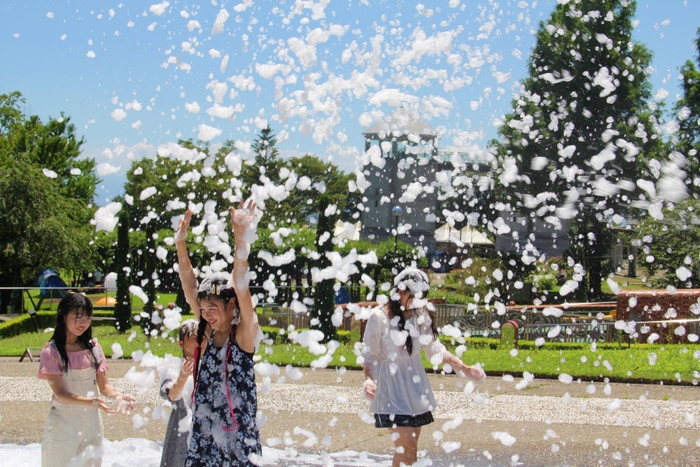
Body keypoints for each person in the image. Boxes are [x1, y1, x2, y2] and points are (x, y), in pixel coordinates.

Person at [361, 268, 486, 467]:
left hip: (414, 388)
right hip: (390, 390)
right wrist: (369, 379)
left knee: (409, 455)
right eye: (415, 296)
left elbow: (434, 349)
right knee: (406, 450)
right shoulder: (379, 317)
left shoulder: (420, 314)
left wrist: (462, 367)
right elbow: (369, 355)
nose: (419, 301)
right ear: (400, 291)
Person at [175, 199, 263, 467]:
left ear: (231, 304)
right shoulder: (207, 334)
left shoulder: (245, 334)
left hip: (237, 436)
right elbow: (189, 282)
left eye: (212, 307)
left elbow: (240, 282)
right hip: (205, 433)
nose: (206, 314)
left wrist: (240, 239)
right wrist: (180, 243)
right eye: (202, 309)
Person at [38, 292, 135, 467]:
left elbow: (104, 386)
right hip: (63, 424)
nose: (83, 323)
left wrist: (117, 396)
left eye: (87, 317)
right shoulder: (51, 352)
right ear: (63, 316)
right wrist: (90, 401)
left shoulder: (94, 348)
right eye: (78, 317)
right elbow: (60, 393)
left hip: (91, 423)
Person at [159, 319, 199, 467]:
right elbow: (171, 395)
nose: (199, 342)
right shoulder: (173, 366)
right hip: (181, 428)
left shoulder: (208, 366)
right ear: (181, 343)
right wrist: (182, 377)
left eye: (202, 337)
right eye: (194, 338)